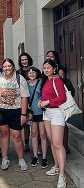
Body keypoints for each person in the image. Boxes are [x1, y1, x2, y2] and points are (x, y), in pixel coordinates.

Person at [0, 58, 29, 171]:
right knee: (4, 135)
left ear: (13, 66)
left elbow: (24, 97)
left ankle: (21, 159)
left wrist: (23, 114)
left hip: (16, 111)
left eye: (9, 66)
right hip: (1, 111)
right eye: (5, 66)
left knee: (17, 136)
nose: (7, 68)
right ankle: (5, 158)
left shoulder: (20, 78)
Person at [38, 59, 67, 188]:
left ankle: (62, 175)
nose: (46, 70)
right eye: (44, 68)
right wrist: (40, 102)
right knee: (52, 142)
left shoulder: (57, 80)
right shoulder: (46, 81)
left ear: (54, 68)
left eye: (48, 68)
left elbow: (62, 98)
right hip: (47, 114)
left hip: (57, 113)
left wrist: (47, 102)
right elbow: (46, 96)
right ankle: (56, 167)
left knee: (58, 144)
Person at [45, 50, 71, 154]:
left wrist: (60, 77)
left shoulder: (59, 68)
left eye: (52, 56)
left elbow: (63, 84)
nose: (49, 58)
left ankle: (65, 144)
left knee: (63, 125)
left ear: (55, 58)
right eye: (48, 56)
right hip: (50, 104)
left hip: (60, 102)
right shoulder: (46, 68)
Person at [27, 67, 48, 168]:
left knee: (43, 134)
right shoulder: (26, 84)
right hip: (32, 113)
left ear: (37, 73)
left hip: (42, 112)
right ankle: (35, 156)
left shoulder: (41, 82)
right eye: (29, 72)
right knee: (34, 134)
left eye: (33, 72)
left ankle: (44, 157)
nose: (31, 74)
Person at [17, 52, 33, 153]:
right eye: (22, 60)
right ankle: (26, 144)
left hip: (33, 100)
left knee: (35, 124)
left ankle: (38, 144)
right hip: (22, 101)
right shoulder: (18, 73)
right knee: (26, 124)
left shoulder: (34, 70)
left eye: (26, 59)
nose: (24, 61)